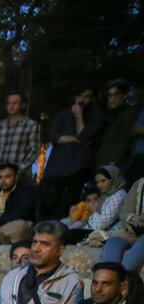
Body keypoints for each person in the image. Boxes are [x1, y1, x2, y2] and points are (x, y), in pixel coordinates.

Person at [41, 85, 106, 218]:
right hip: (57, 167)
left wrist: (78, 117)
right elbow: (53, 137)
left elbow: (84, 136)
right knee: (48, 203)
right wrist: (78, 140)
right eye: (80, 95)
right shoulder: (62, 115)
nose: (82, 99)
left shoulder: (97, 116)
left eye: (86, 96)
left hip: (79, 167)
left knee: (70, 205)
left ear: (92, 98)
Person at [0, 93, 42, 180]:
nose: (11, 107)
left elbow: (34, 150)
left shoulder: (31, 125)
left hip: (18, 174)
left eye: (15, 103)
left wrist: (20, 168)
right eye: (9, 103)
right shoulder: (0, 125)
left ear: (22, 105)